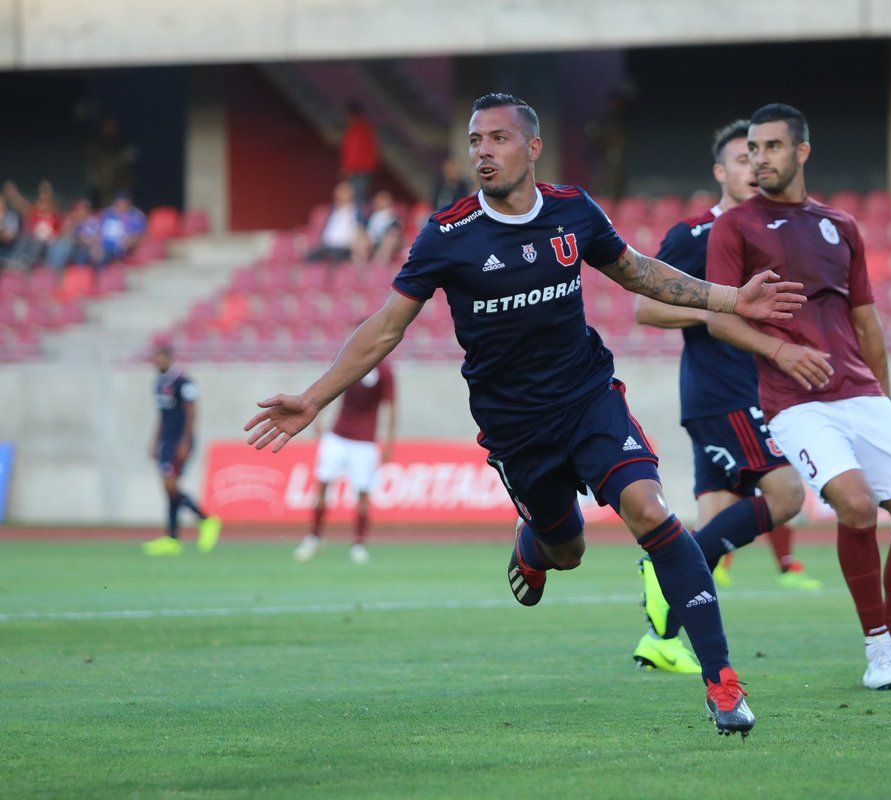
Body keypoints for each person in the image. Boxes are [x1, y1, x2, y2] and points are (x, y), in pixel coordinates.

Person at [244, 92, 806, 736]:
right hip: (516, 429)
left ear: (532, 148)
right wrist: (315, 397)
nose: (484, 152)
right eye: (476, 140)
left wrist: (732, 299)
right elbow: (385, 328)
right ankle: (535, 543)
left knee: (651, 509)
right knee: (567, 551)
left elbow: (640, 274)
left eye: (499, 139)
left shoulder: (572, 211)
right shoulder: (448, 234)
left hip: (589, 398)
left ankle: (722, 682)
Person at [706, 103, 891, 691]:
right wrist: (781, 351)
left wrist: (882, 400)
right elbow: (718, 320)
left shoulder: (841, 225)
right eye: (753, 149)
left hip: (861, 394)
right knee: (857, 504)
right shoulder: (734, 226)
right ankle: (878, 656)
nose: (760, 158)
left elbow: (866, 321)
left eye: (772, 147)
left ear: (801, 152)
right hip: (795, 400)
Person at [629, 120, 820, 675]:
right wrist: (721, 305)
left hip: (750, 389)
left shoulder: (767, 231)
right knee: (785, 496)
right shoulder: (694, 234)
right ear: (720, 171)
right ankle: (662, 563)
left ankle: (661, 637)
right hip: (723, 392)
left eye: (761, 157)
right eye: (742, 159)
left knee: (715, 524)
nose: (754, 168)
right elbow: (645, 306)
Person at [294, 360, 397, 564]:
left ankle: (359, 543)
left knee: (362, 493)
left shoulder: (385, 371)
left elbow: (391, 406)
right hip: (338, 436)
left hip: (365, 443)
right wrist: (318, 417)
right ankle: (314, 537)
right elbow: (331, 388)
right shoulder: (353, 360)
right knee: (323, 485)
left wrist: (390, 441)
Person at [142, 344, 222, 556]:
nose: (156, 362)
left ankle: (206, 520)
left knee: (170, 484)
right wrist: (154, 440)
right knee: (169, 487)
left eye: (159, 358)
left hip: (180, 440)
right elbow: (162, 415)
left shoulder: (183, 382)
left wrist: (186, 442)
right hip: (166, 440)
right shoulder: (159, 383)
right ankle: (172, 539)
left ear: (169, 358)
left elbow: (192, 412)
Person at [3, 181, 60, 269]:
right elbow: (22, 205)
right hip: (33, 238)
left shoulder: (55, 215)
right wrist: (13, 194)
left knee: (38, 240)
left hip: (48, 243)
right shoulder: (35, 212)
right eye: (41, 200)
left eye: (46, 201)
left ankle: (27, 262)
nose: (42, 203)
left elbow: (59, 232)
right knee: (25, 235)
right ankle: (15, 259)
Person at [307, 181, 364, 264]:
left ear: (351, 194)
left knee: (336, 259)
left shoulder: (356, 212)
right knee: (310, 257)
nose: (340, 194)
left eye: (343, 192)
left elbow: (361, 230)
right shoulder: (330, 211)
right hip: (326, 246)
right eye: (338, 192)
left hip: (344, 248)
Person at [91, 191, 146, 267]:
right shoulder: (107, 213)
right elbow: (97, 231)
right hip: (103, 248)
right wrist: (96, 246)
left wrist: (126, 243)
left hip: (124, 250)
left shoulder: (136, 216)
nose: (121, 205)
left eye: (124, 202)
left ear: (129, 202)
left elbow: (139, 235)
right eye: (119, 202)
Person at [341, 101, 380, 206]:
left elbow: (355, 151)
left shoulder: (358, 128)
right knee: (357, 196)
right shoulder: (364, 127)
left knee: (356, 198)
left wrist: (348, 168)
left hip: (359, 170)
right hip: (363, 168)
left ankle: (359, 220)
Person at [360, 189, 405, 264]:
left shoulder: (392, 214)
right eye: (378, 199)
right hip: (371, 240)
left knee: (390, 237)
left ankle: (378, 266)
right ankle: (361, 266)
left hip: (386, 239)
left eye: (383, 199)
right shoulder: (372, 216)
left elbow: (397, 228)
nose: (379, 201)